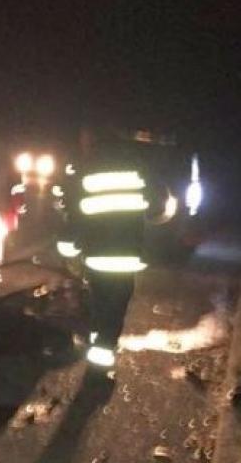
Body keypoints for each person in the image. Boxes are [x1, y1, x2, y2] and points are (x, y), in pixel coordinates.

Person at [59, 126, 174, 372]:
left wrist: (70, 245)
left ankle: (97, 343)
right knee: (116, 304)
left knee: (99, 300)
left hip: (96, 253)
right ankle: (103, 353)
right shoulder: (137, 166)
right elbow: (158, 208)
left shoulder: (85, 169)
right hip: (127, 253)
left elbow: (73, 213)